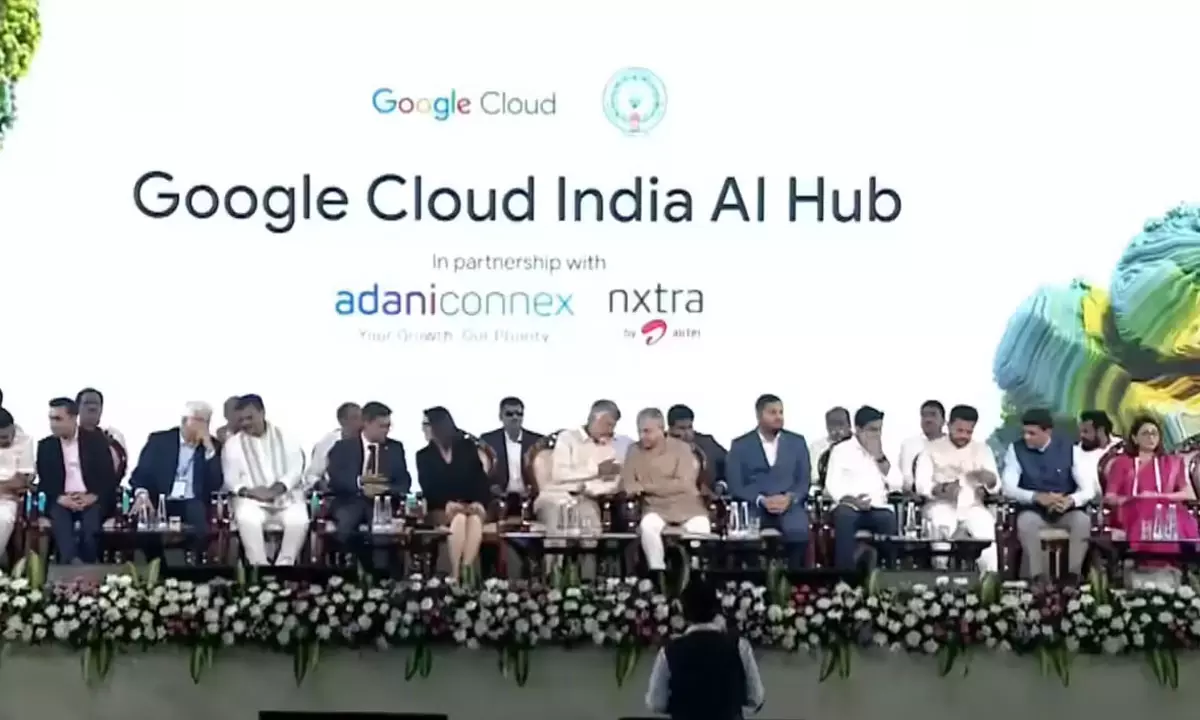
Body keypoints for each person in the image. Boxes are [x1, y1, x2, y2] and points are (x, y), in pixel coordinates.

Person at [645, 577, 765, 720]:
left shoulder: (669, 651)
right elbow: (756, 698)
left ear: (684, 612)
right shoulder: (739, 647)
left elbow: (656, 703)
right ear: (716, 608)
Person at [1001, 408, 1098, 583]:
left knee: (1082, 521)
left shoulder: (1071, 449)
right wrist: (1036, 497)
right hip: (1033, 510)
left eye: (1032, 433)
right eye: (1025, 433)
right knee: (1026, 523)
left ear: (1048, 432)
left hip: (1065, 510)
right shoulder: (1015, 450)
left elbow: (1088, 490)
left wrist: (1070, 500)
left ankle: (1073, 577)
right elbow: (1008, 487)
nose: (1026, 438)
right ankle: (1038, 578)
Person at [221, 394, 310, 566]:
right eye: (241, 420)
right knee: (247, 517)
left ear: (262, 412)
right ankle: (259, 566)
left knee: (299, 519)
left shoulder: (287, 436)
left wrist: (276, 490)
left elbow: (295, 469)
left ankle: (285, 565)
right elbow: (231, 479)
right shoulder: (233, 444)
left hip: (285, 497)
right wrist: (250, 492)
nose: (246, 423)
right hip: (252, 500)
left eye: (250, 417)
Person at [622, 408, 710, 579]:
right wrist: (664, 486)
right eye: (640, 432)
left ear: (661, 429)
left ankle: (695, 575)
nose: (643, 436)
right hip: (654, 508)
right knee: (648, 526)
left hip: (687, 506)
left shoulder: (682, 449)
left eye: (647, 431)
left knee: (700, 527)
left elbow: (685, 485)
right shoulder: (634, 450)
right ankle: (657, 572)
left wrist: (646, 487)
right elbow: (629, 484)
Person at [726, 394, 811, 570]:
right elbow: (735, 485)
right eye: (772, 412)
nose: (778, 417)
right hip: (754, 505)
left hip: (788, 505)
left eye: (781, 412)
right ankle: (754, 579)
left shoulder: (797, 442)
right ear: (759, 415)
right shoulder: (740, 445)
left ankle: (793, 578)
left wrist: (789, 498)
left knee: (799, 532)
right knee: (746, 541)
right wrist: (761, 500)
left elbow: (804, 480)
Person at [129, 402, 223, 560]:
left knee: (199, 517)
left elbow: (215, 483)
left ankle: (194, 565)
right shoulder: (159, 441)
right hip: (162, 499)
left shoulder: (212, 447)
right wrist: (142, 494)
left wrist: (209, 449)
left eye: (207, 421)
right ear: (184, 421)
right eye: (199, 420)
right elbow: (140, 475)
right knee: (146, 522)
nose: (203, 427)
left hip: (192, 502)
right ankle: (158, 567)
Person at [914, 404, 1000, 573]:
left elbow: (995, 486)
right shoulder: (931, 449)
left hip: (973, 506)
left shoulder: (982, 450)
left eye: (969, 432)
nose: (964, 436)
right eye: (959, 431)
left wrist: (989, 481)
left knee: (986, 528)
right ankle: (941, 576)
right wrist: (943, 489)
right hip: (940, 505)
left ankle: (989, 579)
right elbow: (922, 485)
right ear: (949, 425)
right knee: (942, 524)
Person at [1103, 415, 1198, 567]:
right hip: (1131, 511)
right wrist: (1137, 499)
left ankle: (1173, 568)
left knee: (1181, 519)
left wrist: (1156, 496)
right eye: (1145, 433)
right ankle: (1147, 567)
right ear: (1135, 438)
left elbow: (1188, 494)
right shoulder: (1121, 463)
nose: (1151, 437)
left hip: (1166, 511)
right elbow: (1109, 497)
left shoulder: (1172, 462)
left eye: (1154, 433)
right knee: (1146, 511)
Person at [326, 401, 411, 568]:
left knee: (381, 530)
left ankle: (381, 575)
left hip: (382, 502)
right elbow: (335, 479)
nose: (386, 430)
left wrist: (383, 489)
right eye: (382, 426)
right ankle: (344, 571)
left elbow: (404, 482)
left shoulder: (395, 448)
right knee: (346, 524)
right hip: (350, 501)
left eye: (388, 426)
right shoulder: (343, 447)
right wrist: (361, 484)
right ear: (366, 423)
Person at [35, 397, 119, 564]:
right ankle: (72, 563)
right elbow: (45, 481)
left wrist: (93, 496)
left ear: (73, 418)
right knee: (60, 521)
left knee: (90, 525)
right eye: (51, 419)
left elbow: (109, 477)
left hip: (91, 497)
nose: (53, 424)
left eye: (58, 419)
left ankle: (88, 564)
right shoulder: (46, 446)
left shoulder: (96, 441)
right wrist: (60, 498)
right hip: (61, 498)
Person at [824, 405, 903, 570]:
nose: (877, 434)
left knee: (888, 519)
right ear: (858, 429)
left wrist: (879, 457)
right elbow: (832, 485)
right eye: (872, 430)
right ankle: (845, 574)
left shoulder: (885, 449)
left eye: (879, 430)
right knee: (845, 517)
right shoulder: (840, 450)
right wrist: (853, 501)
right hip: (848, 506)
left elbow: (897, 484)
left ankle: (888, 572)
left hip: (876, 507)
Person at [417, 407, 490, 577]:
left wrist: (478, 502)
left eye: (426, 424)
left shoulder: (467, 448)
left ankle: (465, 571)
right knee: (459, 519)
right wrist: (447, 503)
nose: (423, 429)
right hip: (440, 508)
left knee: (474, 520)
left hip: (469, 504)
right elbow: (428, 487)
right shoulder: (423, 455)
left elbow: (480, 480)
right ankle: (457, 573)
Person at [542, 400, 625, 530]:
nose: (610, 430)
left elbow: (612, 484)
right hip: (555, 497)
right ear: (594, 418)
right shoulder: (567, 438)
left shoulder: (609, 446)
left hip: (586, 499)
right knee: (560, 518)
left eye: (613, 426)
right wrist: (596, 470)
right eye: (608, 424)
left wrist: (588, 487)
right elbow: (559, 474)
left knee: (590, 523)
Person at [480, 396, 544, 506]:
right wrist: (491, 487)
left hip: (530, 498)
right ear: (500, 416)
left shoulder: (536, 441)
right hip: (498, 499)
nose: (515, 417)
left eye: (519, 414)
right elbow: (481, 473)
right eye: (509, 414)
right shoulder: (488, 440)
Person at [666, 404, 728, 488]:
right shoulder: (659, 445)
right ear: (670, 429)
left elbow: (729, 463)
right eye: (682, 428)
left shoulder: (707, 443)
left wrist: (722, 484)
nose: (687, 433)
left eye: (690, 427)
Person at [0, 408, 34, 558]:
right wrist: (6, 487)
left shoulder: (24, 440)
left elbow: (21, 481)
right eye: (2, 437)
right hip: (7, 493)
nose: (8, 440)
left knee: (3, 519)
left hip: (7, 501)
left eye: (11, 434)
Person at [306, 402, 363, 490]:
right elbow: (312, 475)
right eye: (355, 418)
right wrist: (319, 484)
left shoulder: (368, 440)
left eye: (361, 418)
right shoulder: (328, 442)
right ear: (342, 421)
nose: (360, 422)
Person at [76, 387, 128, 479]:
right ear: (77, 408)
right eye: (87, 403)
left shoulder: (113, 441)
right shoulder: (65, 440)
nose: (92, 407)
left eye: (96, 403)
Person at [898, 400, 945, 491]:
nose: (928, 419)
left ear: (943, 421)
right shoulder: (909, 445)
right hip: (913, 497)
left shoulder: (952, 446)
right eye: (924, 415)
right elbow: (903, 476)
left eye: (933, 415)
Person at [809, 406, 852, 484]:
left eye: (840, 424)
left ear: (849, 425)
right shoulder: (816, 448)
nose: (836, 429)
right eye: (832, 425)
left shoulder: (859, 445)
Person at [1078, 410, 1118, 481]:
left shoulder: (1121, 448)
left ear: (1100, 430)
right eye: (1080, 431)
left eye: (1085, 431)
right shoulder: (1076, 451)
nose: (1081, 435)